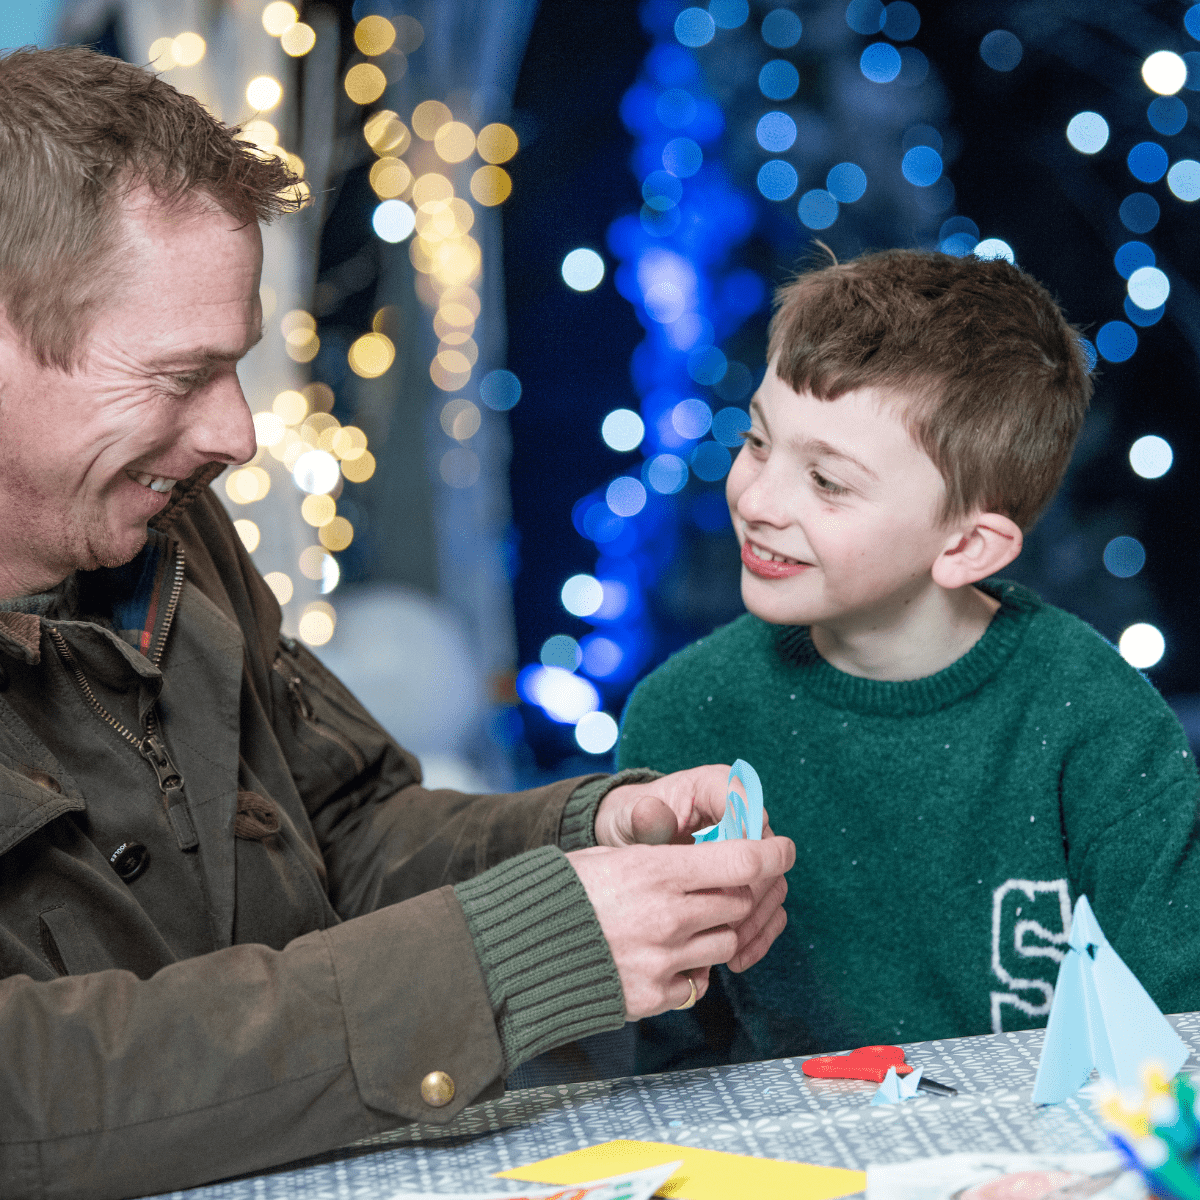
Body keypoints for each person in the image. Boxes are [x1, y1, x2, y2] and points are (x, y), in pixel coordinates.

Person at [0, 47, 794, 1199]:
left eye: (237, 370)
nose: (235, 434)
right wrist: (499, 961)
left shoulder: (162, 524)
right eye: (183, 375)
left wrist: (589, 838)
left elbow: (345, 826)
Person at [619, 248, 1200, 1074]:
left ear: (966, 545)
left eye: (826, 481)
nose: (756, 500)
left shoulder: (1098, 722)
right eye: (756, 441)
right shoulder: (681, 714)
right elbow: (671, 1062)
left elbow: (1182, 1038)